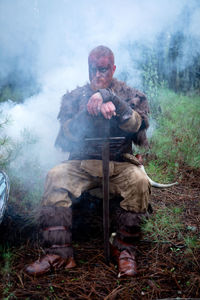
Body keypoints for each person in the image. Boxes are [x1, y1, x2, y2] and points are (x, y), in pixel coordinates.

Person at [25, 45, 151, 277]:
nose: (97, 75)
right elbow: (67, 136)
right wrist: (87, 110)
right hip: (82, 166)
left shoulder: (130, 95)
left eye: (103, 69)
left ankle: (123, 249)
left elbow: (138, 126)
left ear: (113, 69)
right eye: (93, 69)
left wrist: (113, 99)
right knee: (55, 176)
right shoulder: (73, 98)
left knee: (139, 180)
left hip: (120, 165)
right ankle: (60, 255)